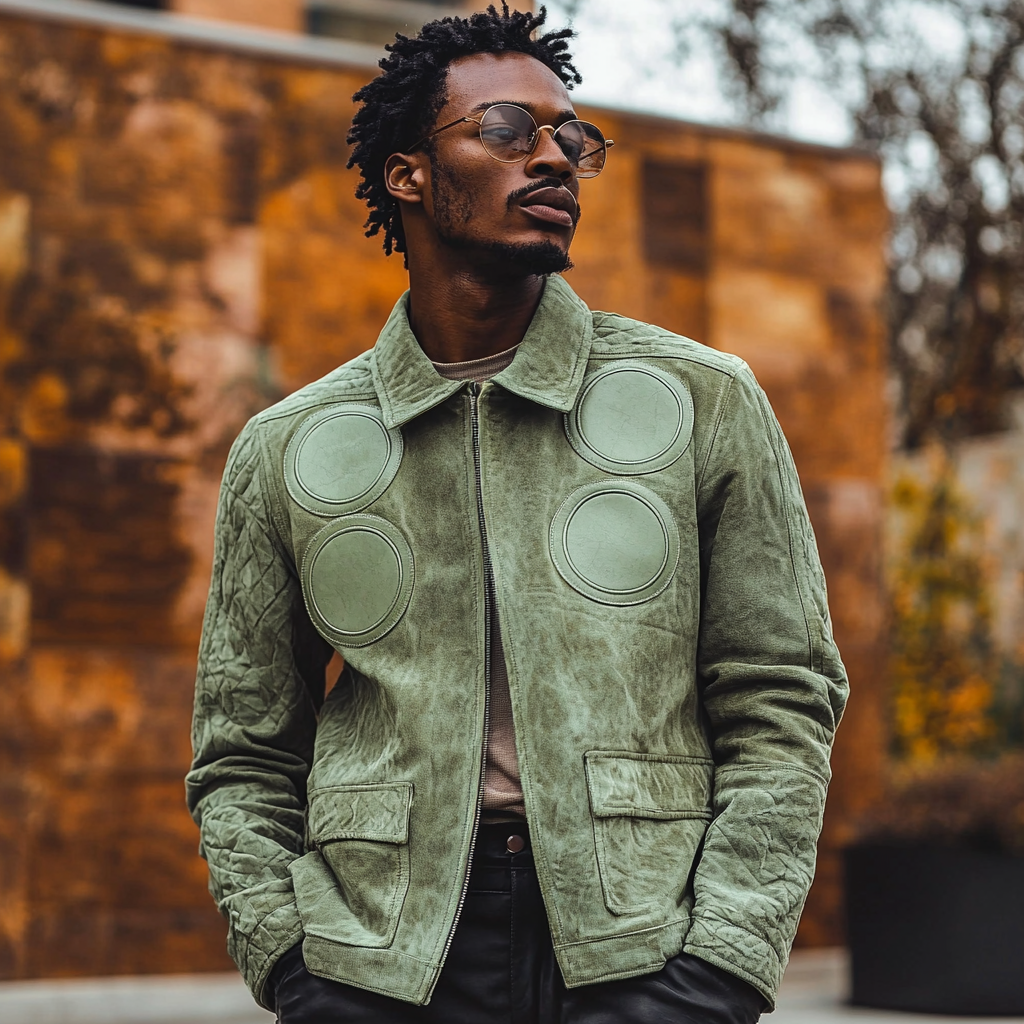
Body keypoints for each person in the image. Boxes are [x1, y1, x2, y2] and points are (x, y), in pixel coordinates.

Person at [186, 6, 849, 1023]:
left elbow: (781, 698)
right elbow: (244, 748)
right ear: (409, 173)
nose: (553, 159)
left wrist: (722, 960)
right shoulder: (288, 446)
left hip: (640, 947)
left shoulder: (702, 399)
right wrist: (291, 963)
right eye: (507, 130)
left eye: (571, 139)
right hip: (381, 961)